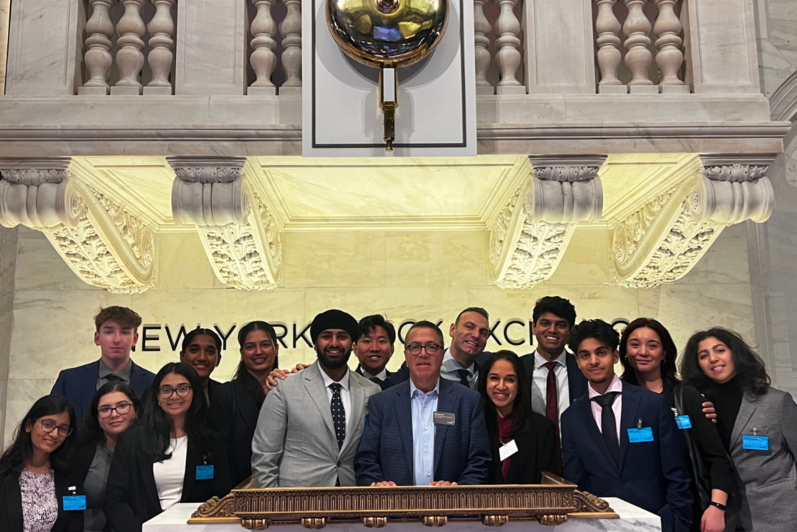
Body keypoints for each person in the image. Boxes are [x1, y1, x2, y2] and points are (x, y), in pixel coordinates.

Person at [561, 319, 692, 532]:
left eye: (601, 352)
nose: (593, 361)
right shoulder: (571, 418)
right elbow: (577, 485)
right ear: (577, 361)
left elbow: (676, 473)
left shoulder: (652, 404)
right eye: (585, 355)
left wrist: (678, 523)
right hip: (600, 526)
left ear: (614, 356)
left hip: (657, 522)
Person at [620, 318, 737, 532]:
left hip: (691, 511)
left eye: (653, 345)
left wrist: (717, 506)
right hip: (636, 513)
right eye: (635, 344)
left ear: (664, 353)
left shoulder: (686, 395)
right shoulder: (616, 400)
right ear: (625, 351)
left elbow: (718, 458)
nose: (643, 351)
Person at [681, 327, 797, 532]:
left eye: (720, 350)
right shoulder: (698, 406)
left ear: (735, 353)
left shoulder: (777, 402)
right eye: (703, 355)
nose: (713, 359)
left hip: (779, 515)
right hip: (724, 518)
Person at [251, 310, 380, 487]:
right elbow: (264, 456)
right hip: (296, 501)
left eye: (342, 336)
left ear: (352, 344)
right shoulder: (284, 387)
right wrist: (271, 506)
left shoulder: (371, 390)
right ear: (315, 343)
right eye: (326, 336)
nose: (334, 343)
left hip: (351, 498)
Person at [355, 321, 491, 486]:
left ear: (442, 354)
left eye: (431, 347)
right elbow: (366, 459)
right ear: (406, 354)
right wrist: (378, 485)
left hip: (451, 507)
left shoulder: (468, 401)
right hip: (395, 506)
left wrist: (459, 490)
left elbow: (479, 460)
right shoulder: (382, 402)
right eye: (415, 347)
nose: (423, 354)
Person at [105, 363, 232, 532]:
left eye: (182, 389)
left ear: (194, 393)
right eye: (166, 390)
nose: (174, 396)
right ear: (157, 396)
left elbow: (223, 497)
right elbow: (115, 501)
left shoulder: (210, 441)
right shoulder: (132, 440)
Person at [52, 307, 155, 421]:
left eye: (125, 332)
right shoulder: (69, 380)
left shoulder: (153, 383)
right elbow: (52, 422)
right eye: (109, 332)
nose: (117, 339)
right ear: (97, 338)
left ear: (135, 339)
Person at [210, 321, 279, 486]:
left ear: (276, 348)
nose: (258, 352)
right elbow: (219, 456)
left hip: (287, 491)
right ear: (241, 352)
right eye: (250, 347)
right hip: (240, 493)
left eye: (265, 345)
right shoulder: (225, 394)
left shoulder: (290, 389)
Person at [0, 395, 80, 532]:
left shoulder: (70, 477)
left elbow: (75, 524)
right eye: (48, 424)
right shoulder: (4, 472)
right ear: (29, 426)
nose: (55, 434)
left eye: (63, 428)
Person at [479, 350, 559, 484]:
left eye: (510, 380)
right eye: (494, 378)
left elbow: (548, 487)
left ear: (520, 385)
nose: (501, 386)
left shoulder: (543, 429)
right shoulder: (475, 425)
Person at [72, 382, 140, 532]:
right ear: (96, 415)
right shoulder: (81, 450)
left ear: (136, 410)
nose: (114, 414)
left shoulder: (151, 448)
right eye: (105, 409)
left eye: (122, 406)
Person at [519, 297, 587, 444]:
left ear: (570, 331)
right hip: (529, 460)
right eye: (545, 323)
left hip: (575, 458)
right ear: (533, 327)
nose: (552, 330)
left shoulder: (584, 369)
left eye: (561, 325)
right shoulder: (517, 368)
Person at [387, 307, 491, 390]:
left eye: (483, 332)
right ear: (452, 330)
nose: (476, 335)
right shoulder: (419, 364)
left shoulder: (489, 365)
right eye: (469, 327)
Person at [179, 328, 223, 406]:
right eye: (194, 350)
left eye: (210, 352)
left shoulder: (226, 394)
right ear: (182, 356)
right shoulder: (164, 393)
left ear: (218, 359)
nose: (202, 358)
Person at [353, 314, 395, 390]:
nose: (374, 348)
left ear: (392, 349)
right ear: (355, 349)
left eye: (381, 341)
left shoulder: (402, 384)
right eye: (367, 341)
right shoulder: (346, 384)